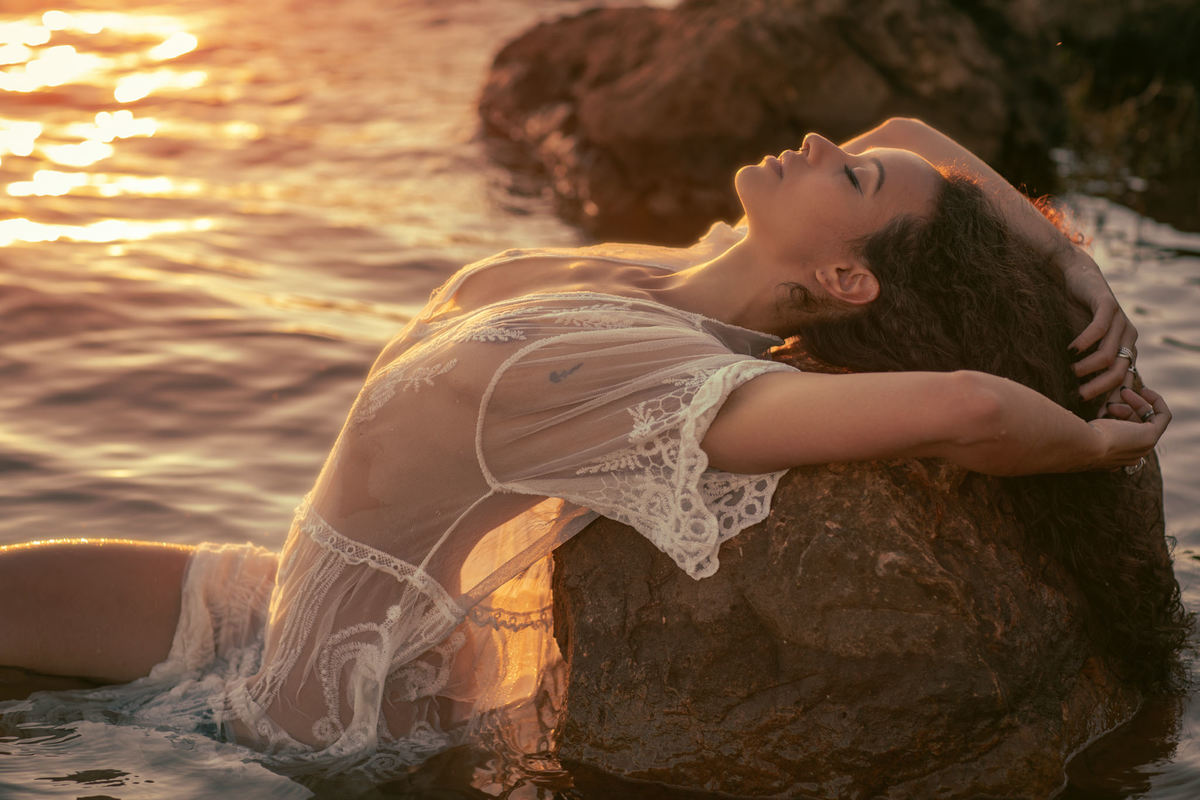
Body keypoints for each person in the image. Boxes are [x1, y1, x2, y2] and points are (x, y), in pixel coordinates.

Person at [0, 118, 1173, 777]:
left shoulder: (676, 381)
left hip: (318, 721)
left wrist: (1090, 443)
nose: (825, 136)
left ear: (843, 279)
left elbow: (968, 404)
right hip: (261, 607)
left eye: (851, 175)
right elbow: (918, 136)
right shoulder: (656, 274)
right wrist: (1076, 265)